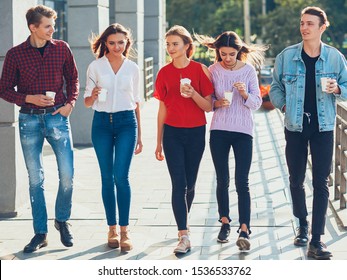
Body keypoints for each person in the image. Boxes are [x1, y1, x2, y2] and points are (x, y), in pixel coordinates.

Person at [269, 6, 347, 260]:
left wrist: (338, 89)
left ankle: (317, 239)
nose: (304, 28)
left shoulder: (335, 58)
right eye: (302, 23)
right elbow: (275, 87)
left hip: (323, 126)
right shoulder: (286, 56)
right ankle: (302, 224)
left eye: (310, 24)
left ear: (322, 27)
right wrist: (284, 106)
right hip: (295, 126)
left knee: (321, 182)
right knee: (296, 178)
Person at [0, 5, 78, 253]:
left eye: (53, 25)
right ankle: (40, 232)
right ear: (33, 27)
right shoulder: (15, 55)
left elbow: (73, 78)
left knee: (67, 174)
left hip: (57, 118)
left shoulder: (62, 48)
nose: (52, 30)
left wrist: (70, 103)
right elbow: (4, 89)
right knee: (36, 180)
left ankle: (62, 220)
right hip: (29, 120)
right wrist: (29, 99)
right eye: (47, 26)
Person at [196, 32, 267, 250]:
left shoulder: (248, 71)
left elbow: (257, 103)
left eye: (231, 54)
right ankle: (225, 222)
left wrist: (245, 94)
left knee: (242, 182)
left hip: (243, 130)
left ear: (239, 52)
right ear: (218, 52)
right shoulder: (213, 70)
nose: (227, 58)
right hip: (219, 129)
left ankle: (244, 228)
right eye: (223, 54)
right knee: (222, 179)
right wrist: (217, 104)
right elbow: (209, 102)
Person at [154, 25, 213, 254]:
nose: (170, 48)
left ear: (187, 46)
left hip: (196, 132)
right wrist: (158, 141)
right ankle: (184, 234)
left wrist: (193, 94)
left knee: (190, 185)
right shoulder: (164, 73)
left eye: (175, 44)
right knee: (178, 184)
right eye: (168, 44)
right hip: (172, 134)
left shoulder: (200, 70)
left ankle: (183, 224)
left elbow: (209, 106)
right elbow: (161, 109)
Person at [84, 23, 142, 252]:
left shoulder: (133, 68)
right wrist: (94, 94)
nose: (117, 47)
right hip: (101, 125)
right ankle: (112, 228)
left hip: (127, 123)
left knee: (121, 177)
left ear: (127, 43)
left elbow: (137, 102)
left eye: (121, 42)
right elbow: (87, 103)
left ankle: (125, 231)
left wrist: (140, 136)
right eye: (112, 43)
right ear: (105, 44)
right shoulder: (95, 67)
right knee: (107, 178)